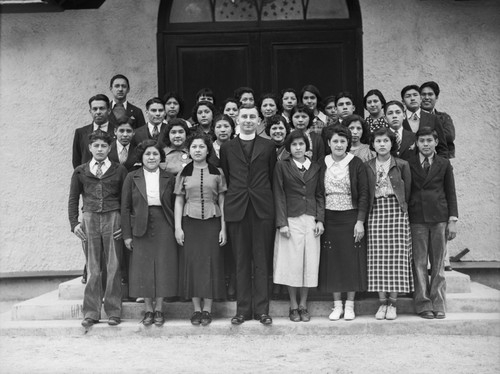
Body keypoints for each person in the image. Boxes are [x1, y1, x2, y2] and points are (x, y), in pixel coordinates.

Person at [220, 105, 277, 325]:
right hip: (237, 208)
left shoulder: (269, 145)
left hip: (262, 209)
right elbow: (226, 176)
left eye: (252, 116)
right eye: (244, 116)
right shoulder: (227, 147)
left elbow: (272, 177)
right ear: (237, 120)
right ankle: (242, 310)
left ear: (259, 121)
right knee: (241, 261)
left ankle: (262, 310)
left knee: (261, 261)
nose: (248, 120)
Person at [68, 130, 127, 327]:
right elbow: (73, 198)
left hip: (113, 217)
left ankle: (113, 311)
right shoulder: (81, 171)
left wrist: (125, 226)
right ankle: (91, 312)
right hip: (90, 218)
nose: (100, 149)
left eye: (104, 146)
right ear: (90, 148)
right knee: (93, 267)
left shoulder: (119, 170)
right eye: (96, 146)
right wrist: (74, 223)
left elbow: (127, 200)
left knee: (114, 266)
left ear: (110, 148)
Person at [121, 140, 178, 326]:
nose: (151, 157)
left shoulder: (169, 177)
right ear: (141, 157)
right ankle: (148, 310)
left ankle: (160, 309)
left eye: (155, 154)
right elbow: (125, 207)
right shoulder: (132, 177)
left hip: (164, 223)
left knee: (163, 265)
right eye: (147, 154)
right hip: (140, 224)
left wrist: (177, 228)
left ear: (160, 156)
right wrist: (127, 235)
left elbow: (176, 203)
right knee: (143, 267)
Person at [174, 134, 227, 326]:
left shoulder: (217, 171)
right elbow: (179, 200)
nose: (197, 150)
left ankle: (208, 310)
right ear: (189, 150)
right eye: (194, 147)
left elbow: (222, 200)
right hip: (190, 222)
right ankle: (196, 309)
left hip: (212, 222)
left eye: (201, 147)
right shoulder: (184, 173)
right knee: (193, 265)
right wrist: (178, 227)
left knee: (211, 264)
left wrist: (223, 228)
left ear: (207, 150)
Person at [273, 130, 325, 322]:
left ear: (306, 146)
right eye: (294, 145)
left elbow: (319, 194)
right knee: (292, 262)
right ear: (289, 147)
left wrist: (320, 219)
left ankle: (304, 304)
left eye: (301, 144)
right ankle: (293, 305)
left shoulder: (316, 167)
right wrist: (282, 223)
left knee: (308, 262)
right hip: (290, 219)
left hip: (310, 219)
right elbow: (278, 194)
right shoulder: (282, 166)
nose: (297, 148)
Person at [319, 125, 368, 321]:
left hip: (351, 216)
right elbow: (317, 194)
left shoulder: (356, 163)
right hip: (330, 217)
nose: (339, 144)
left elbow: (364, 193)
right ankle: (337, 305)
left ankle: (350, 305)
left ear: (348, 143)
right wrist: (320, 219)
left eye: (342, 141)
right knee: (333, 261)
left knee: (350, 260)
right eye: (335, 141)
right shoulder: (322, 163)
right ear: (329, 143)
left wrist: (360, 221)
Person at [408, 127, 458, 320]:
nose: (426, 144)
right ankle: (423, 304)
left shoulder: (444, 164)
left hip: (439, 218)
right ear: (417, 143)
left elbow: (450, 192)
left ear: (436, 142)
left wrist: (452, 220)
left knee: (438, 264)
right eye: (422, 141)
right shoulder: (409, 163)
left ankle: (438, 303)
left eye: (429, 140)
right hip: (417, 218)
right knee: (419, 263)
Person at [365, 127, 413, 320]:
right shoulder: (367, 165)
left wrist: (402, 208)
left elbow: (407, 191)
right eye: (378, 141)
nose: (382, 144)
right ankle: (382, 302)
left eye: (386, 141)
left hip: (396, 211)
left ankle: (393, 303)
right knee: (377, 257)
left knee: (397, 256)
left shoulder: (402, 164)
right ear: (373, 144)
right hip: (375, 211)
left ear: (392, 143)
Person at [420, 81, 457, 271]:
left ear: (436, 97)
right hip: (421, 167)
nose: (426, 97)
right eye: (423, 94)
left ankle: (444, 260)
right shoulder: (416, 119)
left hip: (439, 167)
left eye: (430, 94)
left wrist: (438, 164)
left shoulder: (442, 118)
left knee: (441, 211)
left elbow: (448, 138)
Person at [400, 85, 448, 158]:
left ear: (421, 98)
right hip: (404, 166)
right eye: (408, 96)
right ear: (403, 101)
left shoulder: (433, 119)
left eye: (415, 95)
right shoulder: (398, 119)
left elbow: (442, 148)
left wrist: (439, 167)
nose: (412, 98)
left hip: (427, 165)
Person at [72, 94, 116, 169]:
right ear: (90, 111)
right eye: (95, 109)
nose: (98, 112)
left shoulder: (117, 132)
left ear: (108, 111)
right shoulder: (81, 133)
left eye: (102, 108)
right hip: (87, 178)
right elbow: (76, 160)